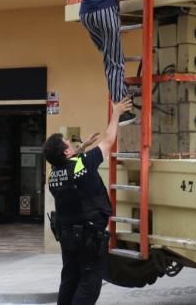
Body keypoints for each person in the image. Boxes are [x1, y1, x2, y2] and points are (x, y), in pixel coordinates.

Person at [44, 97, 134, 305]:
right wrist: (116, 113)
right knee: (89, 283)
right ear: (66, 152)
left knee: (69, 278)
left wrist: (82, 146)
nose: (72, 144)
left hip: (67, 236)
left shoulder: (54, 173)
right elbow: (109, 140)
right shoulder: (80, 164)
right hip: (87, 236)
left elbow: (71, 167)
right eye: (69, 144)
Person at [80, 0, 162, 125]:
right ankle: (121, 109)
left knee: (109, 53)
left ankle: (119, 88)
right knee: (115, 61)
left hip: (86, 13)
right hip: (105, 11)